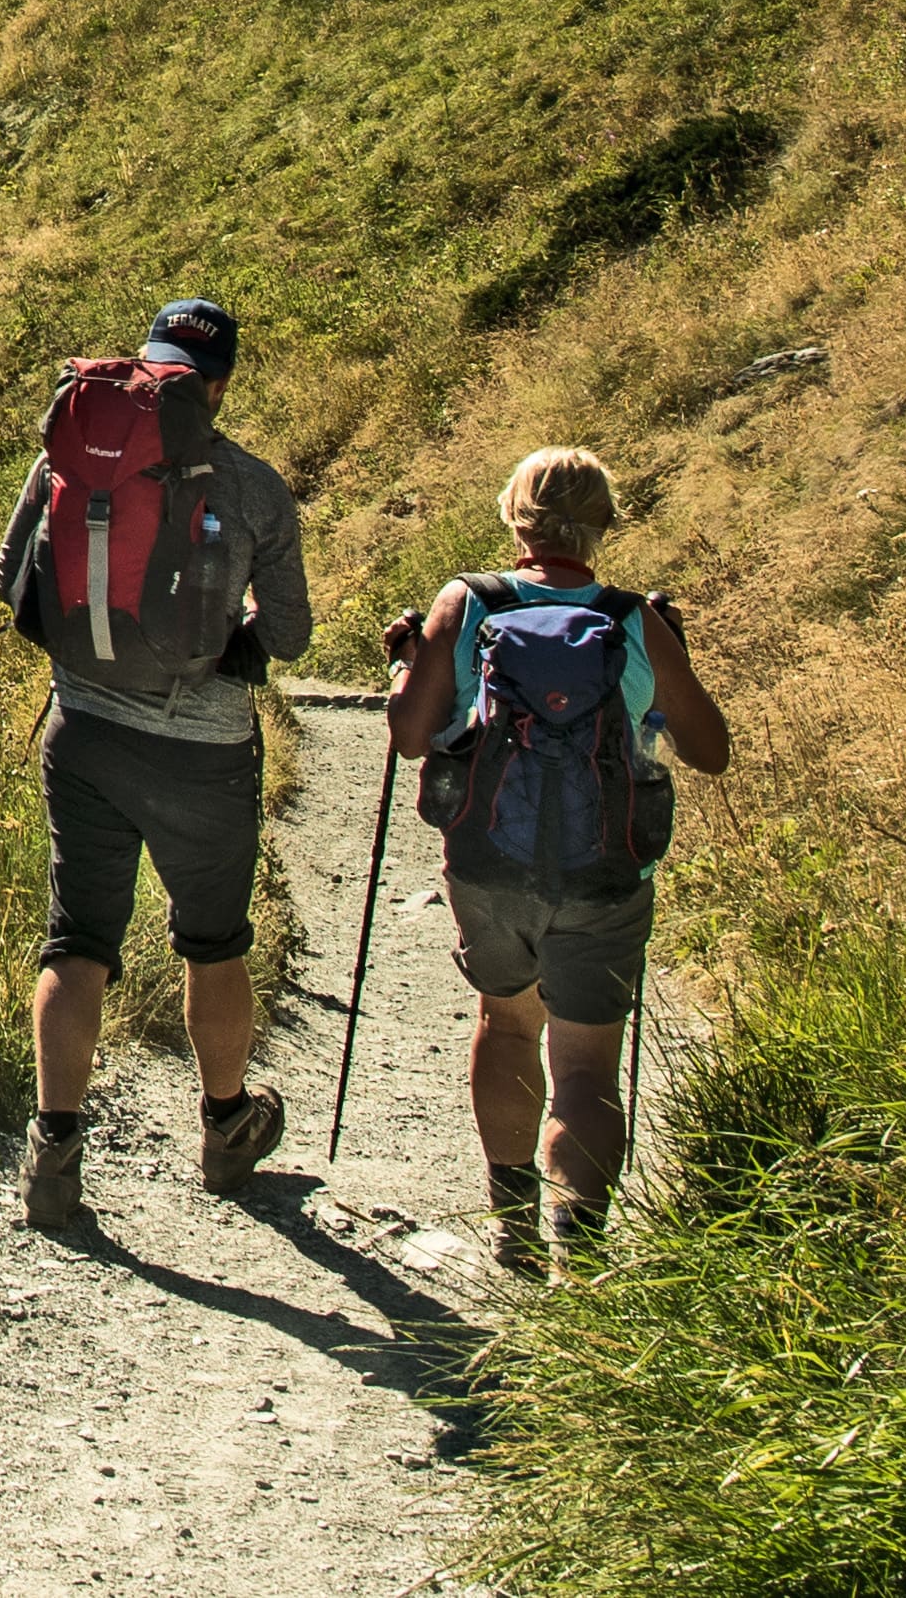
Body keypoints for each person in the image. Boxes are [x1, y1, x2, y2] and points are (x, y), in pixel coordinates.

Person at [4, 296, 314, 1228]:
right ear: (219, 385)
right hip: (206, 753)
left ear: (146, 365)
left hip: (84, 735)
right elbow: (292, 637)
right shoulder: (255, 488)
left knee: (79, 939)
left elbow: (10, 575)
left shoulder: (71, 452)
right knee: (214, 942)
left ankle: (53, 1157)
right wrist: (232, 636)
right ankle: (226, 1130)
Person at [384, 445, 733, 1265]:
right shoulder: (633, 620)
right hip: (605, 872)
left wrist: (408, 665)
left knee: (505, 1025)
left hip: (488, 866)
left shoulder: (465, 603)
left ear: (514, 514)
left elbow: (406, 737)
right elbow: (711, 751)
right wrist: (669, 655)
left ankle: (512, 1223)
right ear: (604, 523)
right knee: (587, 1067)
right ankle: (582, 1248)